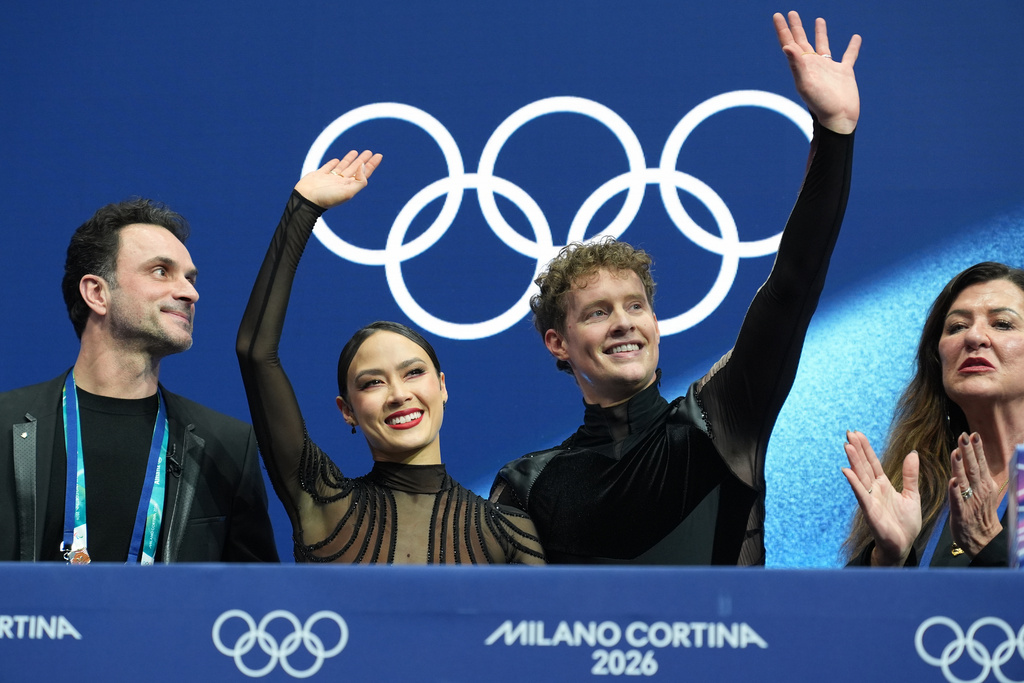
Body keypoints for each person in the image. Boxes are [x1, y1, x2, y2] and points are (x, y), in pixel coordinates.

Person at [490, 11, 860, 564]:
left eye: (635, 305)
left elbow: (794, 282)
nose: (623, 322)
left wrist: (834, 133)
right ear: (557, 343)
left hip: (732, 654)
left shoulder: (720, 420)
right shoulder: (524, 484)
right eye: (596, 312)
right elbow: (522, 632)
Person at [236, 150, 544, 564]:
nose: (398, 394)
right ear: (347, 410)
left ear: (442, 386)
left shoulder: (507, 530)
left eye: (413, 373)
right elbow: (256, 353)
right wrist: (302, 209)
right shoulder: (323, 502)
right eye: (372, 382)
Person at [0, 199, 278, 563]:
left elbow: (252, 602)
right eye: (161, 271)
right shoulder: (6, 424)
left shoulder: (225, 447)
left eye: (190, 278)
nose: (190, 293)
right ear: (97, 293)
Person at [843, 262, 1023, 567]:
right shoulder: (920, 487)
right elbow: (843, 613)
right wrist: (885, 559)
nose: (974, 337)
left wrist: (987, 545)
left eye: (1002, 324)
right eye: (957, 327)